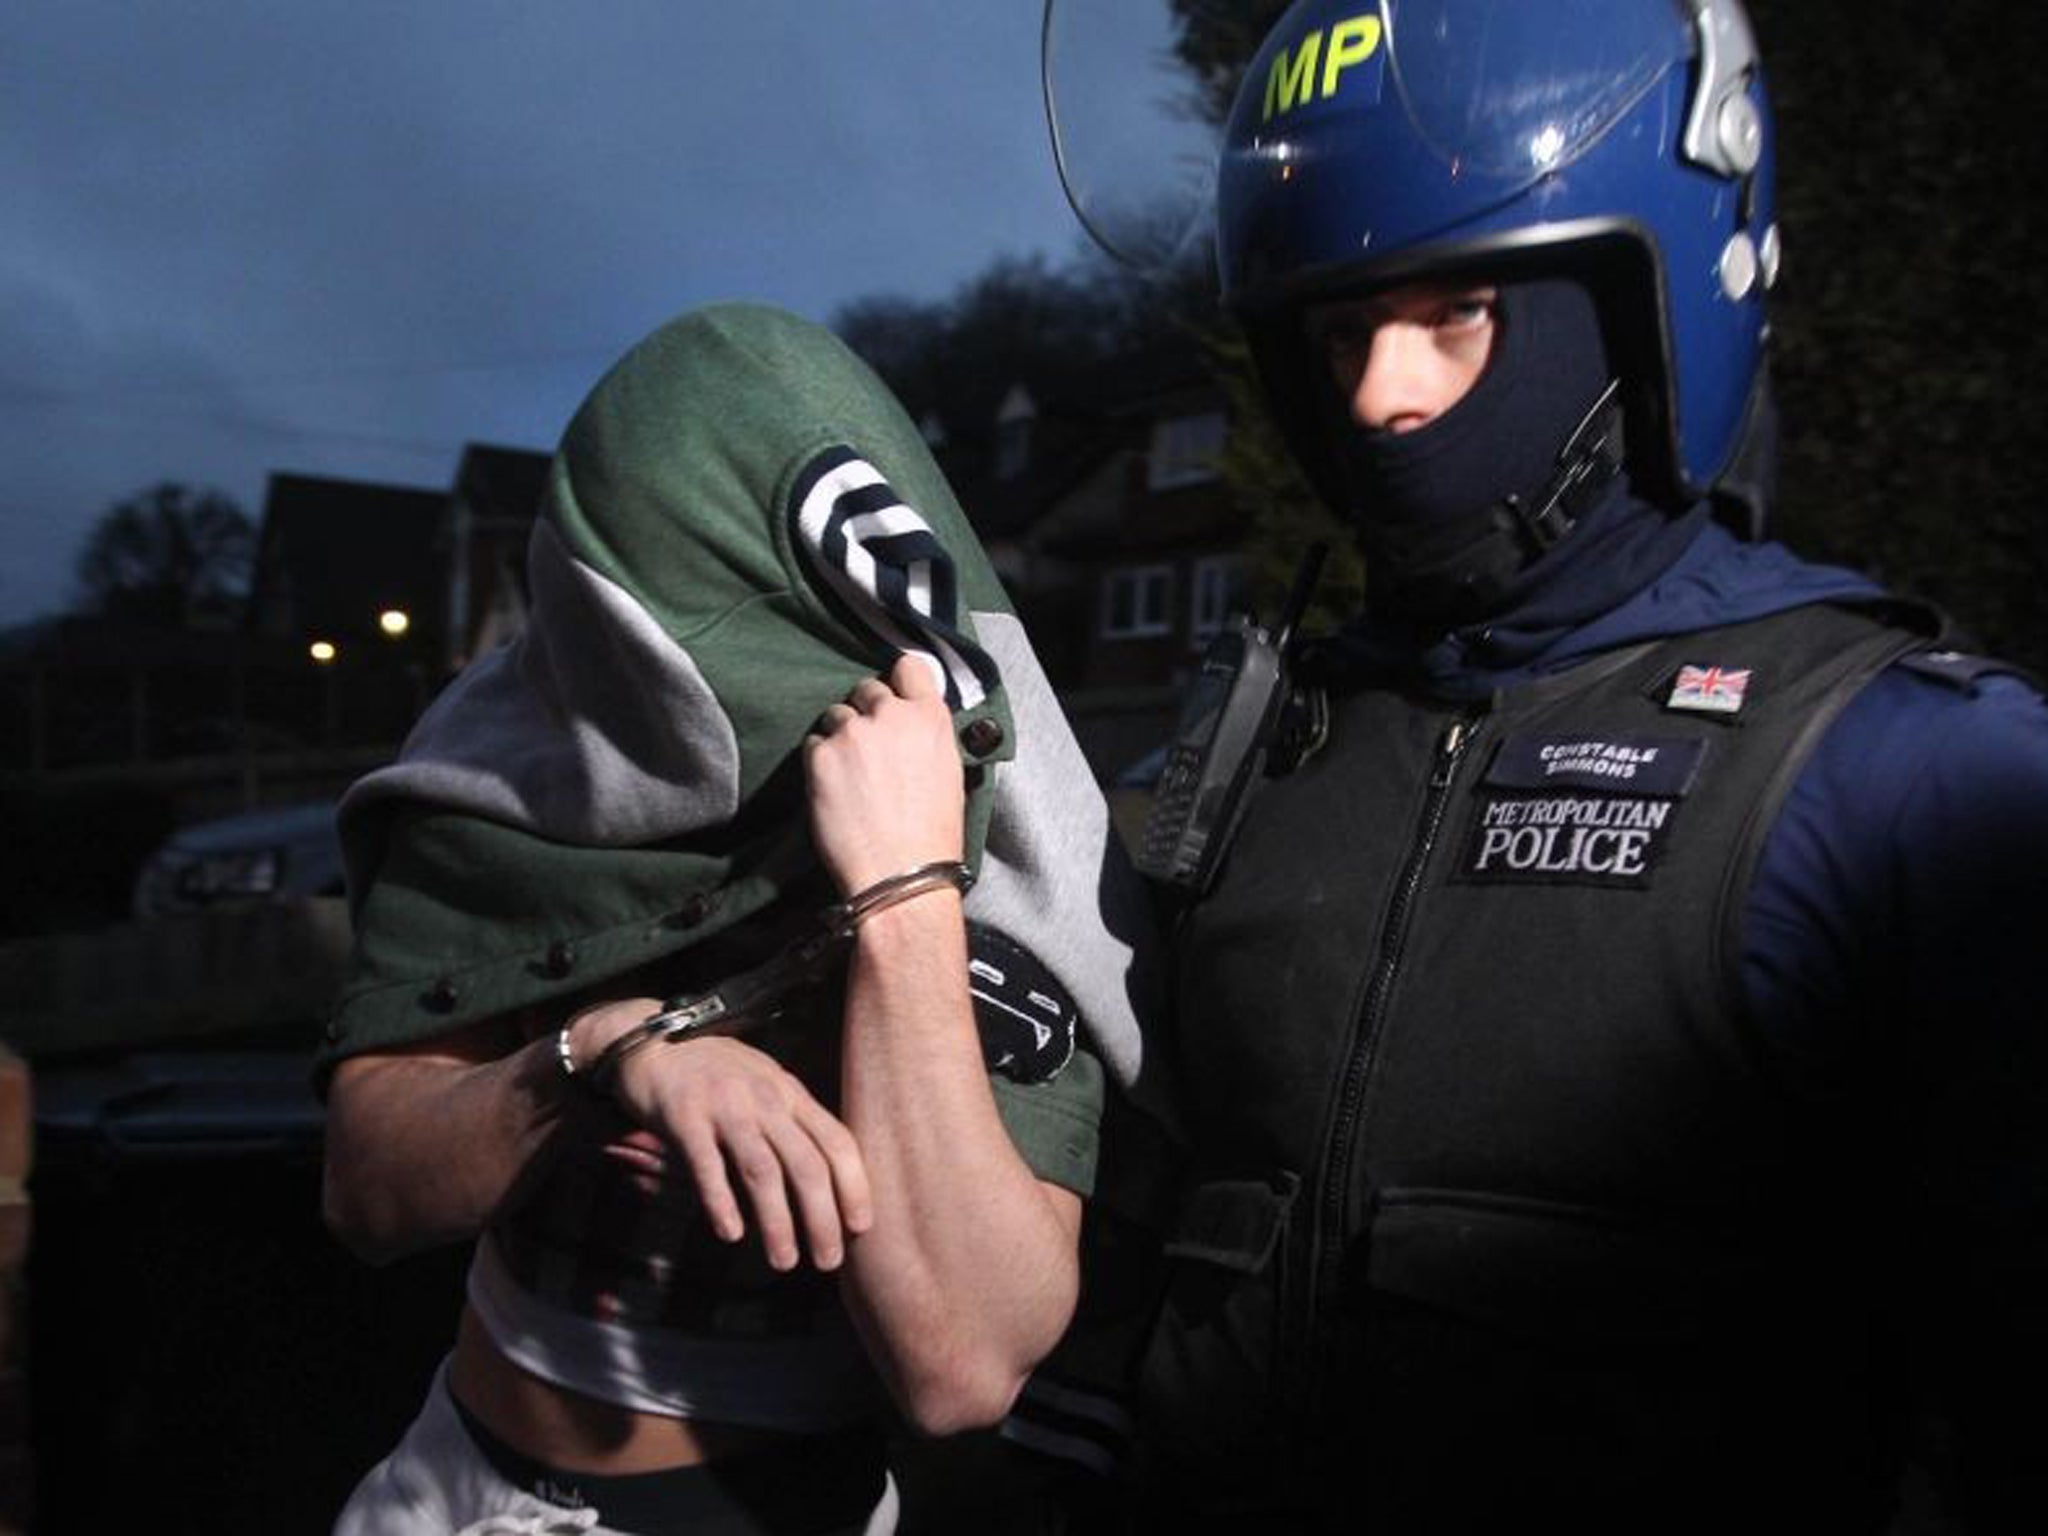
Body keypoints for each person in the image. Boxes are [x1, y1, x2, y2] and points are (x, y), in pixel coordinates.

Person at [1129, 1, 2048, 1530]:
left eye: (1456, 312)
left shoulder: (1919, 783)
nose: (1381, 398)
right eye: (1341, 332)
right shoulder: (1250, 768)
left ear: (1646, 300)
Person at [318, 304, 1160, 1535]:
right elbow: (367, 1191)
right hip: (445, 1477)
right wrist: (600, 1056)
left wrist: (905, 890)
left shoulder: (983, 819)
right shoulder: (514, 767)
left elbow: (965, 1364)